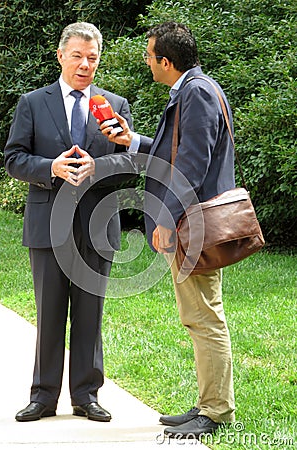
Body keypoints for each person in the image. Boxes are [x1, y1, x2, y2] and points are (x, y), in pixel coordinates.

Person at [100, 21, 236, 438]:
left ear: (166, 61)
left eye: (149, 55)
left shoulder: (195, 93)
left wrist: (165, 218)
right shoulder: (196, 87)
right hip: (188, 221)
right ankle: (208, 403)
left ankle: (215, 412)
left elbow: (192, 164)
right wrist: (133, 140)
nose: (146, 61)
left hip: (188, 224)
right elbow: (174, 149)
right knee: (198, 314)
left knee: (203, 317)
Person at [4, 22, 136, 423]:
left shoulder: (114, 106)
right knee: (48, 312)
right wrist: (52, 167)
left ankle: (86, 395)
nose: (85, 64)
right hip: (48, 224)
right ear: (60, 56)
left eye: (92, 58)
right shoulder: (32, 103)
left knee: (89, 313)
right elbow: (14, 158)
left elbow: (130, 162)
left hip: (97, 225)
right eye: (77, 56)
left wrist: (99, 166)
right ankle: (43, 397)